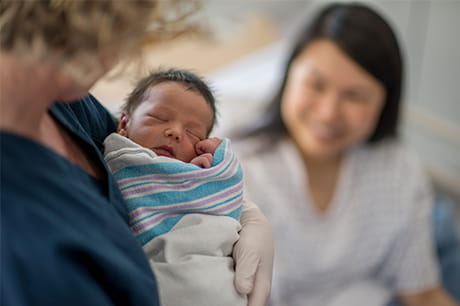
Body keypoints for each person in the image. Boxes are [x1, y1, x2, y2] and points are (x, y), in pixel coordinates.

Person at [0, 1, 273, 306]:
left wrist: (240, 209)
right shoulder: (18, 229)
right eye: (124, 33)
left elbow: (155, 168)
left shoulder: (65, 104)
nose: (117, 57)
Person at [232, 2, 458, 306]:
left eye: (355, 95)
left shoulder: (398, 169)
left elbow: (422, 293)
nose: (328, 114)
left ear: (385, 102)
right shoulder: (236, 172)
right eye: (315, 85)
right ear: (288, 77)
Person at [103, 68, 246, 305]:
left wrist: (211, 173)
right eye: (158, 118)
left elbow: (224, 193)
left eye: (193, 132)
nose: (175, 132)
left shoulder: (198, 170)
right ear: (124, 124)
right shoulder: (117, 157)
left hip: (213, 279)